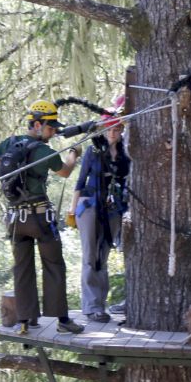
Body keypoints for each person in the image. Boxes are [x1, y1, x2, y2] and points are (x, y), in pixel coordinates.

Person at [0, 99, 79, 333]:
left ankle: (24, 321)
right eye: (50, 127)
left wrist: (12, 176)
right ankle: (62, 321)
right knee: (54, 264)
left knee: (22, 268)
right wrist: (74, 154)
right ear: (36, 124)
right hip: (39, 218)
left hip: (15, 220)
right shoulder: (43, 150)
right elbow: (65, 172)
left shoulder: (8, 144)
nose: (53, 131)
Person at [69, 113, 130, 323]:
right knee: (90, 256)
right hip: (89, 205)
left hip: (113, 208)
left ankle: (99, 306)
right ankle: (91, 306)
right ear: (103, 131)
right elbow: (80, 181)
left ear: (121, 131)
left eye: (117, 130)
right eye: (110, 130)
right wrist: (72, 210)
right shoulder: (93, 151)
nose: (113, 134)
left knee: (102, 256)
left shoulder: (124, 154)